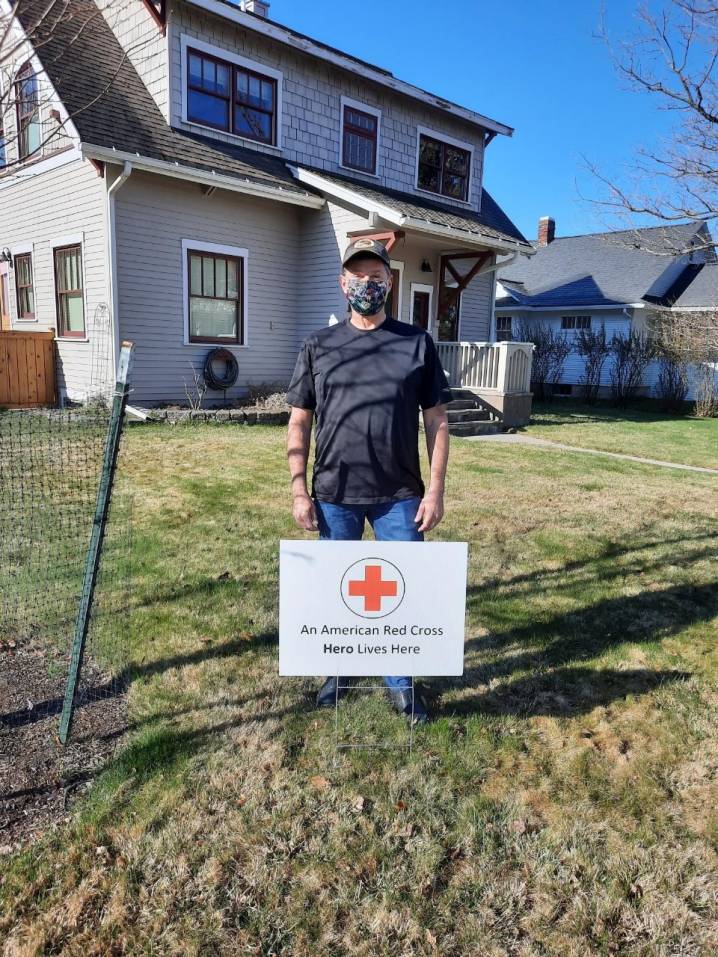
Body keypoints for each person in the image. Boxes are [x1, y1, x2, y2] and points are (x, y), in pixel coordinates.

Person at [285, 237, 452, 724]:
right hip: (334, 492)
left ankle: (401, 683)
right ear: (343, 284)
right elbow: (299, 421)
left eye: (375, 276)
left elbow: (437, 420)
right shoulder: (318, 345)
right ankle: (338, 671)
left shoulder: (416, 343)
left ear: (389, 282)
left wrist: (435, 491)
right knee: (338, 591)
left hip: (399, 495)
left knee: (400, 592)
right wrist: (299, 489)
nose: (366, 284)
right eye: (357, 276)